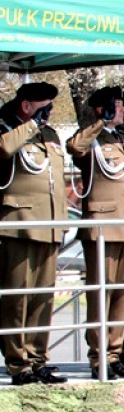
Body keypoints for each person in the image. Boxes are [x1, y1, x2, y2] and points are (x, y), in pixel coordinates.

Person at [66, 85, 124, 380]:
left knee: (121, 294)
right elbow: (75, 148)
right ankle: (99, 356)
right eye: (118, 106)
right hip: (102, 228)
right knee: (102, 296)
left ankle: (114, 352)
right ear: (103, 109)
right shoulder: (93, 139)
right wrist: (99, 122)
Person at [0, 81, 68, 385]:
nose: (49, 114)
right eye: (44, 107)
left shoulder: (49, 135)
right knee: (18, 298)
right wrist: (30, 126)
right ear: (26, 105)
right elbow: (3, 149)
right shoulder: (6, 128)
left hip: (49, 224)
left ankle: (38, 358)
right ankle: (18, 362)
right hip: (19, 223)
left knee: (43, 297)